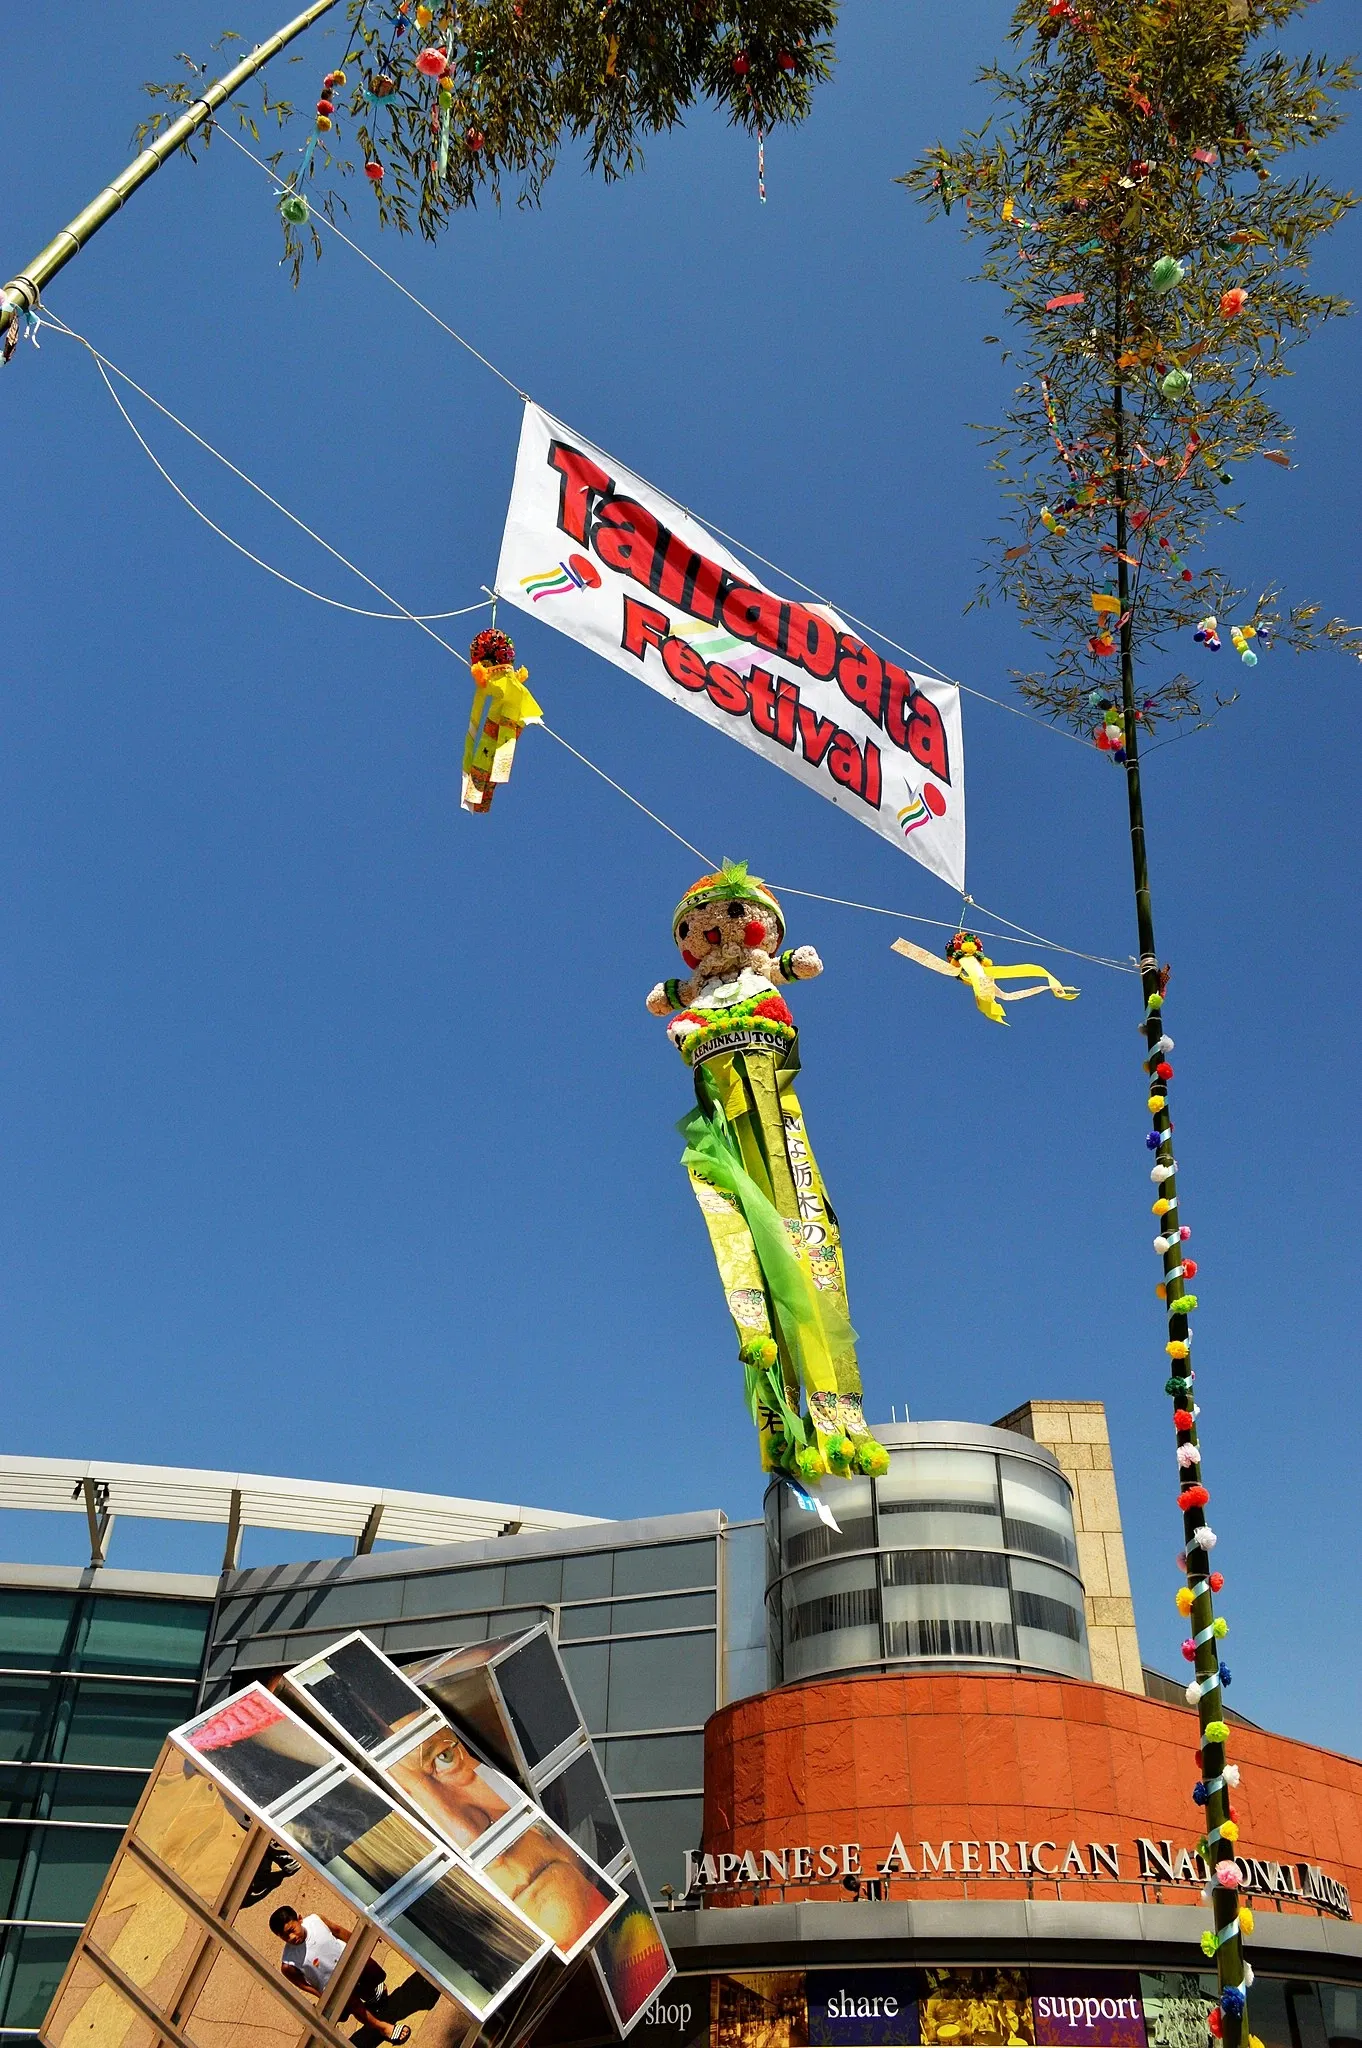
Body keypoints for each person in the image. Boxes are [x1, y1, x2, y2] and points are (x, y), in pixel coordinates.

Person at [268, 1905, 411, 2042]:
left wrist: (363, 1941)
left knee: (373, 1977)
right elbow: (302, 1984)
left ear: (300, 1919)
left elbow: (338, 1931)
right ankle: (383, 2028)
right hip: (334, 1985)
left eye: (292, 1930)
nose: (291, 1937)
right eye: (285, 1937)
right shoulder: (289, 1962)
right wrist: (322, 1995)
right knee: (355, 2006)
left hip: (350, 1962)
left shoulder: (316, 1920)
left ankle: (371, 1997)